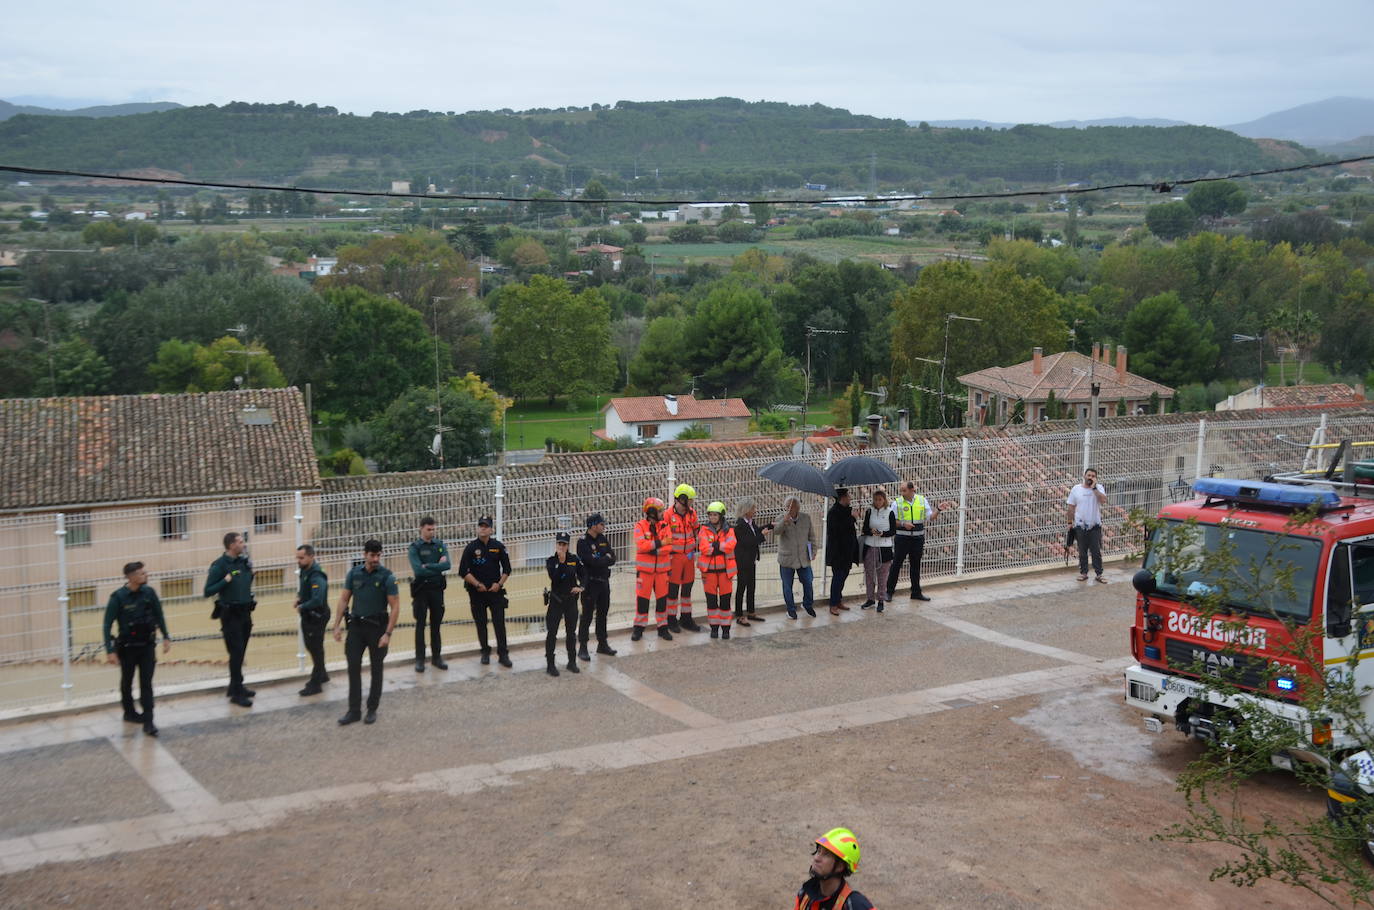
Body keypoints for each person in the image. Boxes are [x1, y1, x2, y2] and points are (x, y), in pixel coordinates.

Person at [333, 539, 399, 726]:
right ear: (364, 555)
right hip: (356, 628)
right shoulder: (354, 574)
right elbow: (344, 600)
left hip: (377, 629)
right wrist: (336, 625)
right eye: (372, 555)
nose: (376, 559)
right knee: (353, 667)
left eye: (378, 555)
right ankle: (354, 710)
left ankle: (372, 709)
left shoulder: (387, 576)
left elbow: (395, 607)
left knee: (376, 668)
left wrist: (388, 634)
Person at [103, 561, 170, 737]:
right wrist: (110, 650)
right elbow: (107, 624)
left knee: (146, 683)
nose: (145, 575)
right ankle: (129, 712)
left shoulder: (149, 593)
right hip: (127, 647)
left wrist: (166, 636)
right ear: (131, 577)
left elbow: (159, 614)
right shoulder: (118, 597)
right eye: (141, 573)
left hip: (147, 646)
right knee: (127, 681)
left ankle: (149, 720)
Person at [203, 531, 256, 707]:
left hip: (245, 612)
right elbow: (207, 591)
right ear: (231, 545)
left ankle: (235, 687)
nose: (244, 544)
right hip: (230, 614)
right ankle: (237, 693)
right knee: (236, 652)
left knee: (240, 652)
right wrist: (225, 581)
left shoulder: (243, 562)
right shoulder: (220, 565)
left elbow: (246, 582)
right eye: (240, 542)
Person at [458, 516, 514, 667]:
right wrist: (477, 584)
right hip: (477, 593)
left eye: (486, 526)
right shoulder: (470, 548)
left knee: (499, 624)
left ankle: (503, 654)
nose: (483, 528)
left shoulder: (498, 546)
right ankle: (485, 652)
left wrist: (499, 584)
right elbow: (463, 571)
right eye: (480, 526)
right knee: (481, 624)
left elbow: (507, 569)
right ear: (477, 528)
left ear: (491, 529)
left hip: (495, 592)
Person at [407, 516, 452, 673]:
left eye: (433, 529)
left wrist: (429, 565)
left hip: (437, 589)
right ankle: (420, 660)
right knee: (420, 625)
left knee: (436, 625)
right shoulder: (415, 547)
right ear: (421, 528)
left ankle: (436, 657)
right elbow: (418, 570)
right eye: (429, 529)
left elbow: (447, 565)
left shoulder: (439, 545)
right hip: (421, 590)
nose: (432, 532)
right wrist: (437, 566)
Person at [794, 827, 876, 910]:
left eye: (826, 854)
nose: (816, 858)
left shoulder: (856, 905)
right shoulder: (805, 895)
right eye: (819, 851)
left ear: (840, 866)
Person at [888, 480, 938, 603]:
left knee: (915, 566)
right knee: (896, 565)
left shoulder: (922, 500)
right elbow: (891, 521)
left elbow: (930, 517)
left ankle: (916, 592)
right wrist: (903, 524)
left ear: (911, 490)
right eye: (901, 490)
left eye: (904, 490)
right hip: (902, 539)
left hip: (917, 539)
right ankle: (889, 592)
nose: (902, 493)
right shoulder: (897, 503)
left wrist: (939, 510)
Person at [576, 513, 617, 660]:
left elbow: (613, 557)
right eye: (601, 524)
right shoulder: (583, 542)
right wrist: (603, 559)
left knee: (602, 614)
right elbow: (590, 562)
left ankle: (602, 643)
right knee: (586, 616)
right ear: (593, 526)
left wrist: (602, 559)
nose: (603, 526)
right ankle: (583, 647)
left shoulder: (602, 539)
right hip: (590, 584)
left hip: (603, 583)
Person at [632, 497, 674, 642]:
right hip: (645, 572)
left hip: (662, 572)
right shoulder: (640, 526)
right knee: (642, 601)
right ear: (651, 512)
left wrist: (654, 550)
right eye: (660, 511)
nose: (663, 513)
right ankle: (638, 628)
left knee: (662, 601)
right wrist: (660, 543)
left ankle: (663, 628)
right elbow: (641, 546)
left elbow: (670, 546)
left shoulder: (665, 525)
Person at [665, 483, 703, 633]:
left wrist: (697, 544)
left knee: (687, 590)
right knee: (672, 592)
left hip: (688, 557)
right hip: (674, 559)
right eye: (690, 500)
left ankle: (686, 618)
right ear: (682, 499)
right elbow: (664, 537)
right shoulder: (668, 515)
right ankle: (671, 620)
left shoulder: (692, 513)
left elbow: (697, 531)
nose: (692, 503)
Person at [544, 531, 583, 676]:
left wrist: (581, 586)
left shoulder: (574, 559)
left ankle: (571, 662)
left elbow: (583, 573)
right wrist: (560, 563)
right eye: (559, 544)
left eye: (564, 544)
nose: (562, 546)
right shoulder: (551, 561)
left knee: (571, 633)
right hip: (556, 600)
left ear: (568, 545)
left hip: (571, 601)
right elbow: (555, 578)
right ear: (556, 544)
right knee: (552, 633)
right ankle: (550, 664)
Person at [697, 501, 737, 639]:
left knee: (725, 603)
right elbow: (704, 548)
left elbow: (731, 545)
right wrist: (721, 548)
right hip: (709, 573)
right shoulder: (704, 530)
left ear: (721, 516)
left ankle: (726, 629)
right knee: (712, 603)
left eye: (715, 515)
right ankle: (714, 629)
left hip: (725, 573)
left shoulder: (729, 530)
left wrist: (716, 545)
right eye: (711, 515)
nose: (712, 517)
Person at [294, 544, 330, 696]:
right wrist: (299, 598)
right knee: (315, 647)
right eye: (298, 557)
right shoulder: (305, 570)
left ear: (311, 556)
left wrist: (302, 606)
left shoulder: (317, 575)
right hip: (310, 614)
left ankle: (315, 684)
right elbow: (305, 589)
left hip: (316, 615)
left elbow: (317, 599)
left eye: (301, 558)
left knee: (314, 648)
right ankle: (322, 674)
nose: (299, 560)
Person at [776, 495, 818, 619]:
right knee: (787, 585)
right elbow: (776, 531)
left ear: (798, 507)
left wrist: (813, 551)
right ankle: (791, 609)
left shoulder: (806, 518)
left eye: (792, 506)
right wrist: (784, 521)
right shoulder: (780, 518)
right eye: (787, 506)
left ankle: (807, 604)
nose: (789, 509)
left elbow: (812, 536)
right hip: (787, 558)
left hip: (803, 557)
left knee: (808, 581)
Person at [732, 499, 772, 626]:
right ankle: (739, 614)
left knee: (751, 587)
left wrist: (770, 525)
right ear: (746, 510)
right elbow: (748, 542)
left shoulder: (750, 522)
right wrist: (762, 536)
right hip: (743, 561)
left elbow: (755, 532)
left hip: (751, 560)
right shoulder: (739, 525)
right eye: (753, 509)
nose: (755, 511)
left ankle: (751, 612)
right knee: (741, 588)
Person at [1066, 467, 1109, 583]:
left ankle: (1099, 574)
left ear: (1096, 478)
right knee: (1082, 552)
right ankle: (1083, 573)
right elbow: (1071, 507)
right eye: (1089, 475)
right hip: (1080, 526)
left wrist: (1094, 488)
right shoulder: (1076, 489)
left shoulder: (1099, 488)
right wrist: (1070, 522)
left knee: (1096, 551)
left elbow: (1103, 500)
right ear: (1084, 476)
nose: (1090, 478)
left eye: (1093, 476)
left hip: (1094, 526)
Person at [861, 490, 897, 612]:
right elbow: (864, 528)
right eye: (875, 499)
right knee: (869, 575)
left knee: (882, 576)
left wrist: (882, 534)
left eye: (880, 500)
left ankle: (881, 599)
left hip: (884, 548)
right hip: (870, 546)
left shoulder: (890, 512)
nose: (877, 502)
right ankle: (870, 599)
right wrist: (870, 531)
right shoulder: (869, 511)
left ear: (884, 500)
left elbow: (893, 531)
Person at [825, 488, 860, 615]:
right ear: (842, 498)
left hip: (847, 551)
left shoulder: (848, 511)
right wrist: (852, 519)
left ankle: (838, 600)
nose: (850, 498)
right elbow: (836, 530)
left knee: (843, 575)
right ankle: (833, 604)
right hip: (837, 552)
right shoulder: (833, 512)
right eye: (848, 496)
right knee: (838, 577)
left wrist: (853, 517)